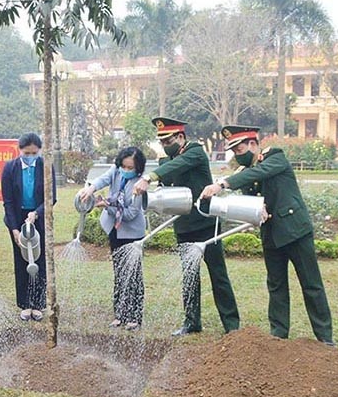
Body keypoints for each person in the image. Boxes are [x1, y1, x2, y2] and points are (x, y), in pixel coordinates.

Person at [200, 125, 334, 346]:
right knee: (276, 285)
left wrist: (222, 184)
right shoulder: (244, 173)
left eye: (240, 149)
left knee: (311, 284)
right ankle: (279, 334)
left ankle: (325, 338)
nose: (237, 155)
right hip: (271, 234)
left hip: (294, 231)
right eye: (234, 151)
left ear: (253, 144)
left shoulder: (274, 157)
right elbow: (251, 197)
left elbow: (260, 172)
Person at [133, 117, 240, 336]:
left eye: (168, 140)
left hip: (205, 224)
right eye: (161, 142)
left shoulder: (195, 152)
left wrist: (149, 178)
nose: (164, 145)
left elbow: (178, 165)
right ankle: (192, 321)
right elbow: (168, 177)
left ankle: (232, 326)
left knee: (218, 274)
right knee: (189, 277)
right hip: (183, 225)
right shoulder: (168, 160)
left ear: (181, 137)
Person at [78, 146, 147, 331]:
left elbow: (132, 213)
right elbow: (103, 179)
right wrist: (91, 189)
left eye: (130, 167)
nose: (126, 170)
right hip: (115, 230)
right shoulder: (116, 171)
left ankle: (135, 316)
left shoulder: (140, 183)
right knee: (119, 272)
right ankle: (120, 314)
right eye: (123, 166)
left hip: (132, 233)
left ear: (138, 168)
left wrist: (107, 205)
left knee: (133, 274)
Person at [1, 133, 56, 322]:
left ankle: (38, 303)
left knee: (39, 261)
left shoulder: (46, 166)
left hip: (38, 219)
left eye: (34, 153)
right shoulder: (10, 168)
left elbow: (51, 197)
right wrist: (15, 229)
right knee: (22, 260)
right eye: (27, 153)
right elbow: (7, 201)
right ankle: (25, 304)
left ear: (39, 151)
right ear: (20, 150)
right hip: (17, 219)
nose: (30, 156)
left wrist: (37, 213)